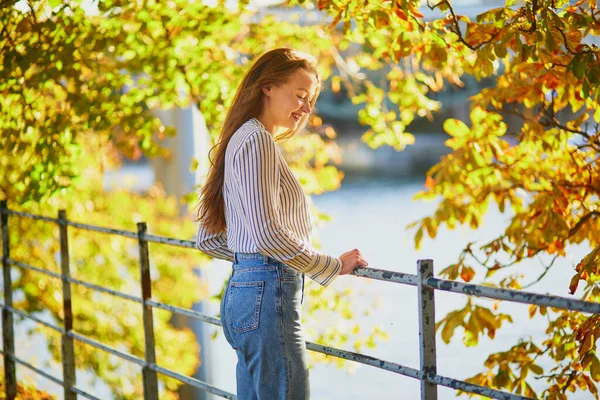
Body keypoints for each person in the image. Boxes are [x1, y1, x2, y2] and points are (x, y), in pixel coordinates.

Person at [195, 47, 368, 400]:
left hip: (243, 295)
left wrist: (251, 263)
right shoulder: (257, 139)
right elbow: (268, 234)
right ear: (267, 86)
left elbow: (210, 240)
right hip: (267, 298)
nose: (305, 108)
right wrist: (330, 266)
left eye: (310, 100)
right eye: (300, 95)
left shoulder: (239, 138)